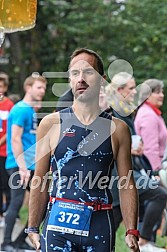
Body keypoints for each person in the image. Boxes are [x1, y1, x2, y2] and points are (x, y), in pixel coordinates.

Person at [27, 48, 139, 252]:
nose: (81, 79)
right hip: (57, 227)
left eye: (88, 72)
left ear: (102, 79)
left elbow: (127, 183)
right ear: (69, 79)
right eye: (75, 73)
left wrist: (132, 230)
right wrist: (33, 227)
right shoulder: (51, 124)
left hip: (99, 227)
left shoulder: (118, 129)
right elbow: (40, 179)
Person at [105, 72, 167, 252]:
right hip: (117, 175)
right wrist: (129, 149)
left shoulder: (125, 111)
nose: (135, 91)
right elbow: (104, 142)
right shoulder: (112, 112)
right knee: (158, 195)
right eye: (131, 88)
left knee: (113, 222)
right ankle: (145, 241)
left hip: (130, 171)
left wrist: (135, 150)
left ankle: (144, 242)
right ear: (119, 90)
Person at [1, 75, 47, 251]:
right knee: (16, 202)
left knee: (42, 202)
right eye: (38, 87)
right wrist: (22, 167)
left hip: (31, 164)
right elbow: (15, 139)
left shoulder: (29, 110)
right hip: (19, 165)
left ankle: (20, 240)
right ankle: (6, 243)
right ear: (28, 88)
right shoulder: (21, 109)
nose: (42, 91)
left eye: (44, 88)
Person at [134, 79, 167, 172]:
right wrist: (156, 172)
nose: (162, 95)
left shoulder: (152, 113)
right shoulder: (148, 116)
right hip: (155, 169)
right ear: (147, 96)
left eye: (162, 92)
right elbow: (150, 149)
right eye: (157, 92)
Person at [0, 75, 14, 228]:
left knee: (6, 184)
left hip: (4, 152)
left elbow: (10, 131)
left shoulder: (10, 105)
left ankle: (10, 214)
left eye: (1, 87)